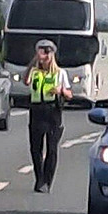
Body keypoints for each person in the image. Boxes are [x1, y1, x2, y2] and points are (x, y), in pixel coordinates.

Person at [23, 39, 72, 193]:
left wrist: (61, 91)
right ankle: (39, 178)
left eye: (46, 52)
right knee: (35, 148)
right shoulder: (35, 72)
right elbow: (26, 80)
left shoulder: (60, 73)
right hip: (36, 111)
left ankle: (47, 182)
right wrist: (33, 61)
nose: (43, 55)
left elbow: (70, 94)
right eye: (41, 52)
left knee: (52, 149)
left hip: (53, 113)